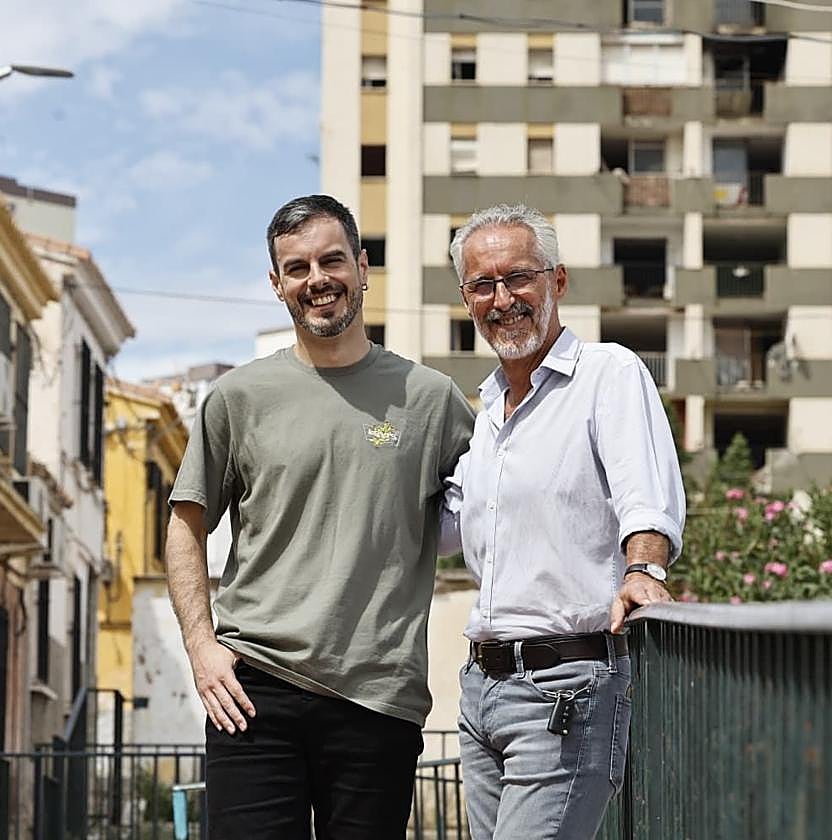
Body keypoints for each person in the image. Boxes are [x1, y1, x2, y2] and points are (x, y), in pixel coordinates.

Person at [163, 194, 475, 839]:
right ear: (277, 285)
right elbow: (186, 524)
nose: (317, 280)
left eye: (332, 260)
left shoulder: (431, 399)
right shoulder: (237, 398)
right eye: (297, 268)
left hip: (379, 698)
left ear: (363, 267)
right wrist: (200, 647)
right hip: (254, 692)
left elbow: (503, 505)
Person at [440, 204, 686, 839]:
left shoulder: (607, 373)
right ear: (467, 299)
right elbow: (446, 527)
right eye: (482, 285)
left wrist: (644, 568)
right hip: (480, 691)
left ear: (558, 281)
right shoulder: (488, 408)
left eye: (519, 277)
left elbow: (646, 494)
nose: (503, 299)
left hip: (566, 691)